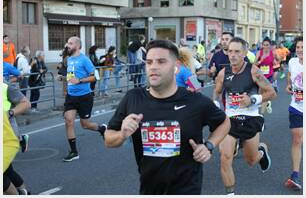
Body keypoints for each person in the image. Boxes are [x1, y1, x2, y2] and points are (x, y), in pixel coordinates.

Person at [104, 39, 231, 195]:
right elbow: (109, 139)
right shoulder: (133, 98)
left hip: (187, 188)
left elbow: (224, 122)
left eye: (161, 61)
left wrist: (209, 146)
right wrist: (122, 134)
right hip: (149, 189)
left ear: (176, 66)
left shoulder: (196, 101)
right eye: (149, 62)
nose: (154, 67)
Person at [213, 37, 277, 195]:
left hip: (251, 118)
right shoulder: (223, 73)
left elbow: (272, 93)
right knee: (225, 156)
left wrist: (253, 99)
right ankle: (230, 193)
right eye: (230, 51)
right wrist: (214, 105)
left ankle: (261, 152)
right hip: (230, 120)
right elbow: (217, 92)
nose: (232, 55)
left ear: (244, 53)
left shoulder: (254, 71)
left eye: (237, 51)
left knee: (250, 160)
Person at [63, 36, 106, 162]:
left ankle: (102, 128)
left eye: (70, 43)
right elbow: (71, 76)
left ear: (77, 46)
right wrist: (65, 79)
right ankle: (74, 151)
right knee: (68, 121)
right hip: (71, 96)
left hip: (84, 97)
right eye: (68, 43)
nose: (67, 45)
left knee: (85, 125)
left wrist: (80, 80)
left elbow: (95, 77)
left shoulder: (85, 60)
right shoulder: (69, 59)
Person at [284, 36, 303, 190]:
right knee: (297, 139)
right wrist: (289, 85)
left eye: (303, 47)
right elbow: (290, 76)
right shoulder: (292, 62)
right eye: (298, 47)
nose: (300, 50)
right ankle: (295, 174)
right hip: (296, 106)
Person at [255, 37, 275, 114]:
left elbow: (277, 61)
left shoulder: (273, 52)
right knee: (260, 94)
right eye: (264, 45)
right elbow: (254, 64)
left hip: (269, 76)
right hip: (260, 76)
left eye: (267, 45)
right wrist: (261, 60)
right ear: (262, 45)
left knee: (266, 93)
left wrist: (276, 62)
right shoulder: (259, 53)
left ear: (270, 45)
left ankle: (261, 114)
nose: (266, 47)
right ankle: (267, 103)